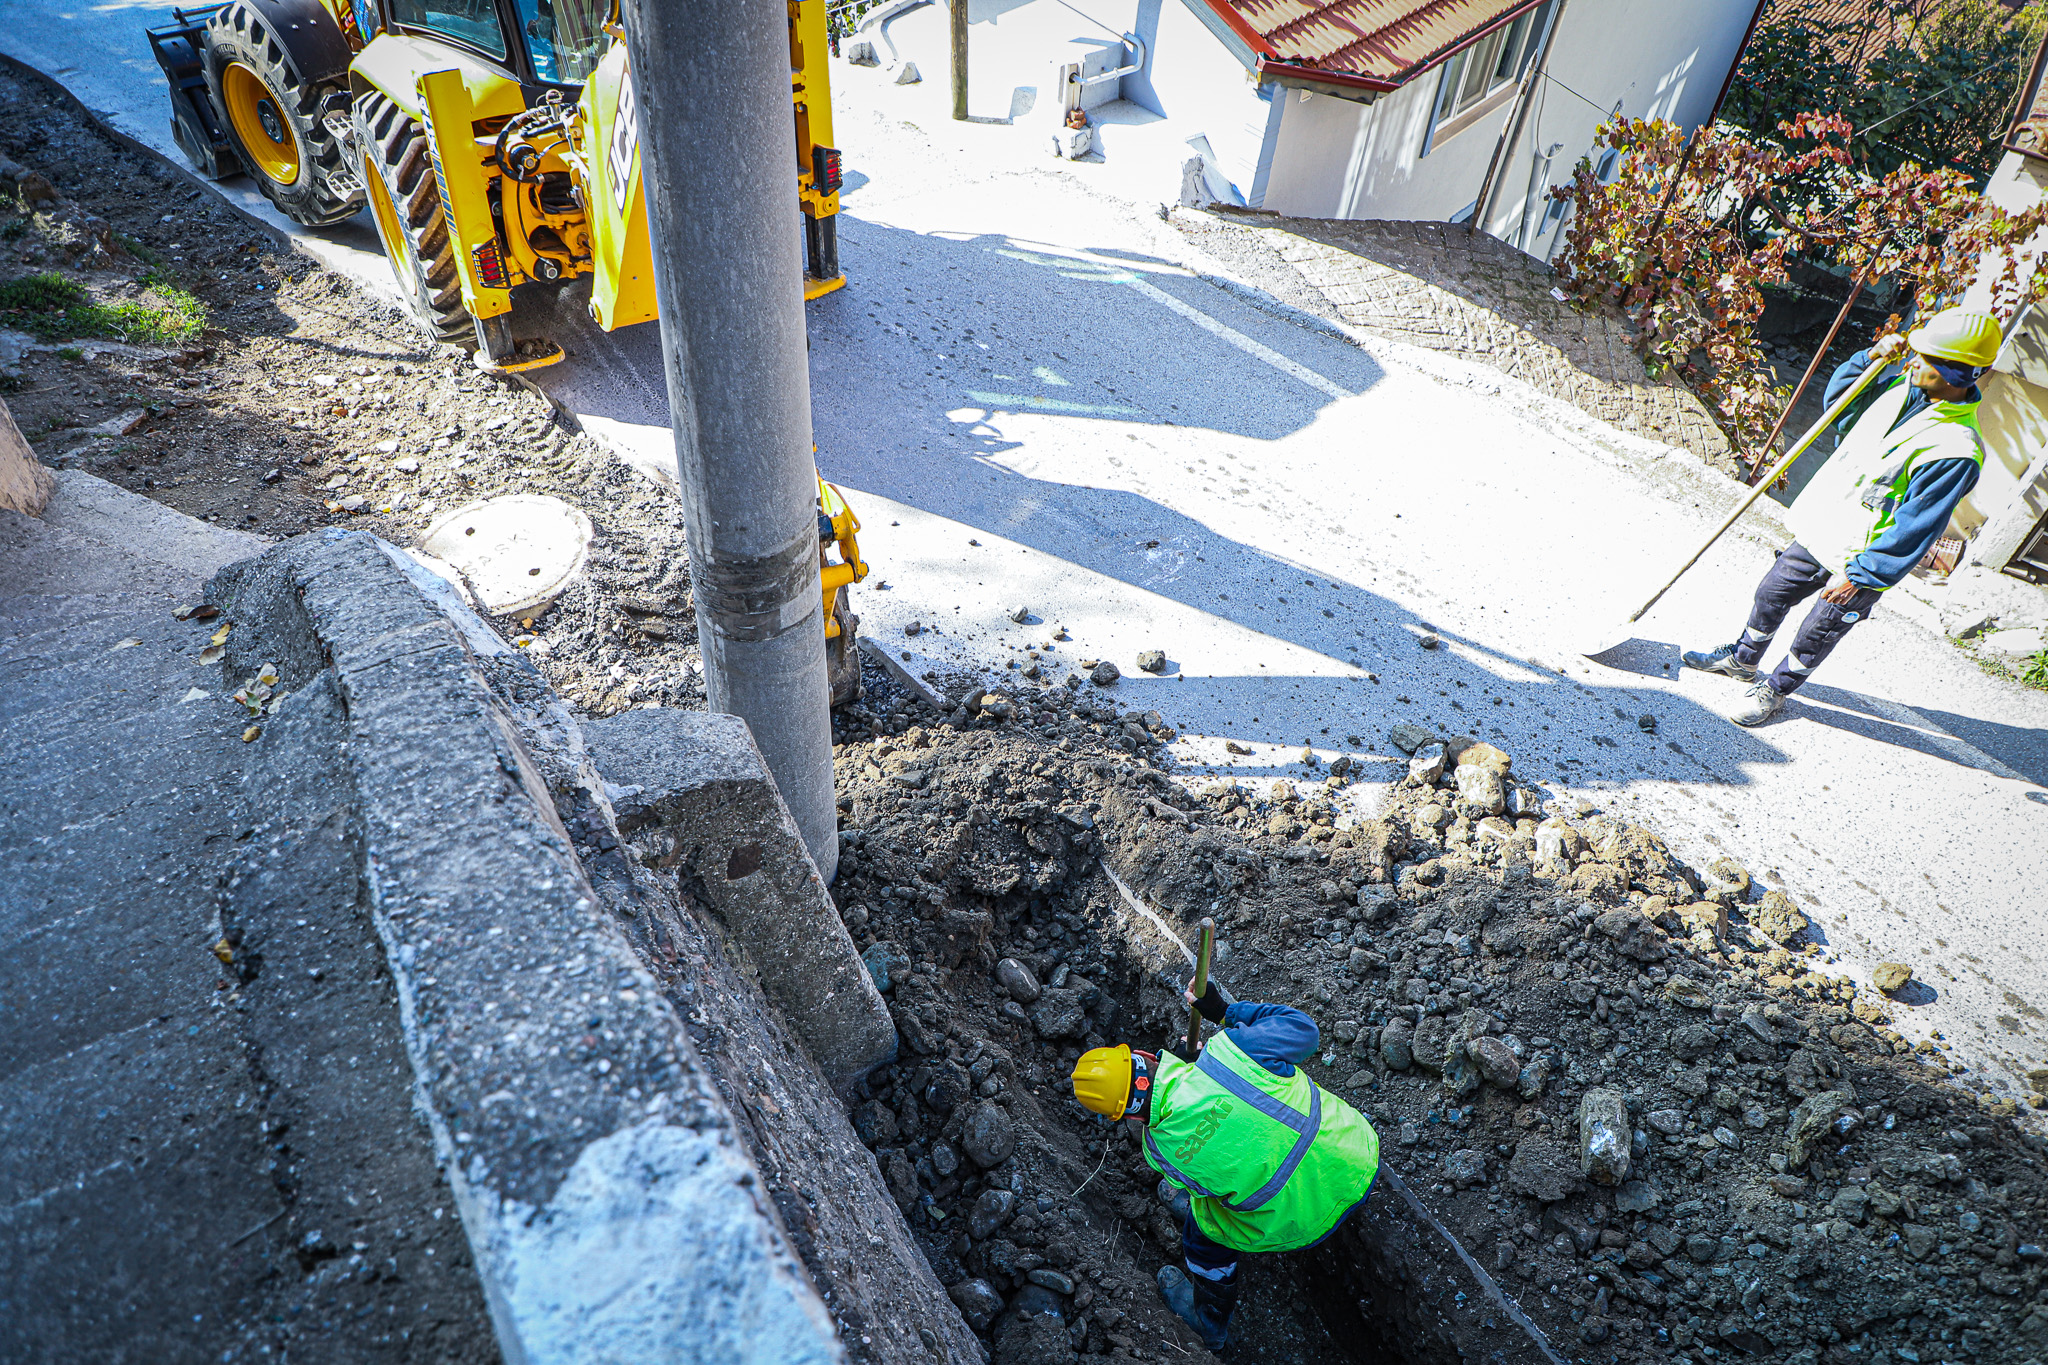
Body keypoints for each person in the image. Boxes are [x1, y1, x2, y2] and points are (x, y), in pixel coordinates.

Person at [1683, 306, 2002, 725]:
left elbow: (1916, 528)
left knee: (1819, 631)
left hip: (1863, 555)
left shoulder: (1956, 449)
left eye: (1925, 357)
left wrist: (1862, 577)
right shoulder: (1896, 389)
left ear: (1957, 374)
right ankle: (1742, 661)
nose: (1913, 360)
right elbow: (1840, 403)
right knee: (1771, 593)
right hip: (1826, 527)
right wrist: (1870, 359)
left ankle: (1776, 690)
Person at [1068, 984, 1380, 1349]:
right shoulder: (1231, 1049)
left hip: (1299, 1220)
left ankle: (1210, 1325)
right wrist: (1226, 1014)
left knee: (1202, 1233)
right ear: (1143, 1055)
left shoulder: (1159, 1148)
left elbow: (1204, 1180)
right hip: (1354, 1155)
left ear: (1126, 1116)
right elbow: (1305, 1032)